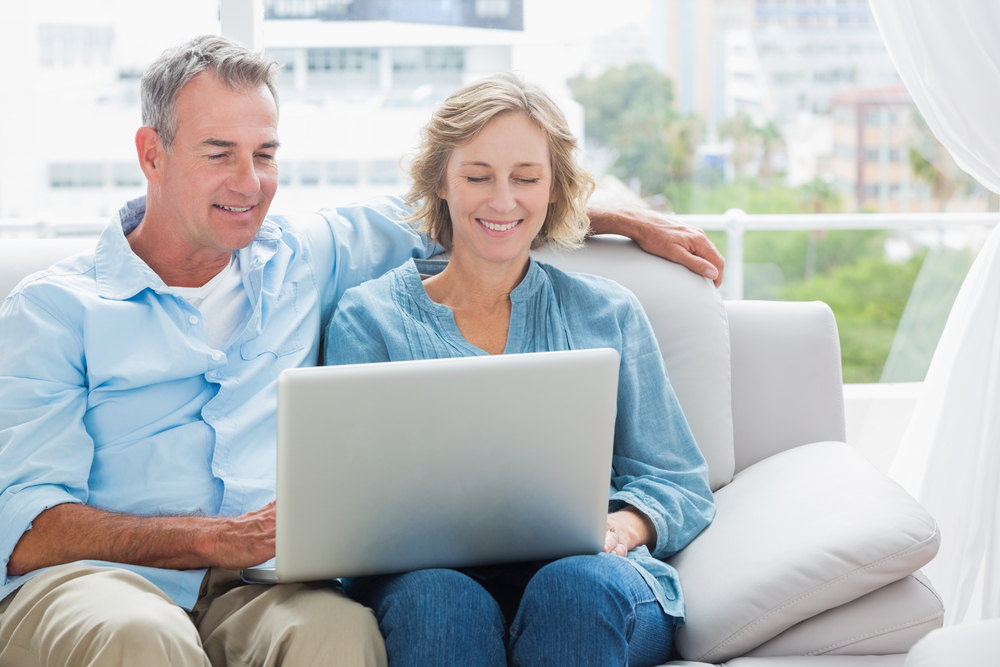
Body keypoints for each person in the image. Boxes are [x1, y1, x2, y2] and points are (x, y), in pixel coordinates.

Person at [0, 36, 722, 667]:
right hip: (105, 579)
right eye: (220, 154)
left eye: (265, 154)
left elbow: (480, 212)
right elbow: (25, 527)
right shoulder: (54, 309)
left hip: (255, 586)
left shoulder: (299, 258)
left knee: (341, 635)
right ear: (150, 154)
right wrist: (217, 537)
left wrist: (613, 217)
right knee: (142, 634)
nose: (250, 184)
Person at [323, 72, 716, 666]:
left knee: (573, 588)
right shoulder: (368, 320)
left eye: (526, 179)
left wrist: (626, 528)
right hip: (430, 584)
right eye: (478, 177)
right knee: (438, 600)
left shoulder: (608, 313)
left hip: (592, 586)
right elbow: (350, 505)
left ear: (555, 188)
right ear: (441, 182)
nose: (503, 201)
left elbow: (679, 481)